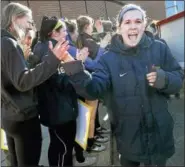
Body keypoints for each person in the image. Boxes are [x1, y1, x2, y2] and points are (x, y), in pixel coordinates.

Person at [60, 4, 183, 167]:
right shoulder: (108, 59)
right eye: (127, 22)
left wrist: (164, 79)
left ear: (144, 25)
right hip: (128, 138)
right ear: (119, 27)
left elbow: (178, 78)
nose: (133, 26)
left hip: (159, 135)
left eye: (138, 21)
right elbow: (92, 90)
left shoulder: (159, 48)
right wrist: (73, 67)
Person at [1, 3, 70, 166]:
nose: (31, 27)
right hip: (23, 118)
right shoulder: (8, 44)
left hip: (10, 115)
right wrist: (53, 60)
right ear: (15, 19)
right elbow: (23, 82)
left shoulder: (4, 42)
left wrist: (27, 59)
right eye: (29, 22)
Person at [33, 16, 89, 167]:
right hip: (59, 110)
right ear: (53, 33)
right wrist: (78, 65)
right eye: (64, 30)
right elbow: (60, 81)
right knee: (65, 147)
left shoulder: (44, 47)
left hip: (55, 108)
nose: (67, 33)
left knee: (57, 145)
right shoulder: (51, 51)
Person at [76, 15, 112, 152]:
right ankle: (91, 144)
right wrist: (103, 45)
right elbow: (97, 61)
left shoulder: (80, 38)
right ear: (87, 26)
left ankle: (92, 139)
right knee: (90, 115)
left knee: (89, 115)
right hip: (90, 79)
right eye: (91, 25)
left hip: (84, 79)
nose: (92, 27)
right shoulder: (88, 40)